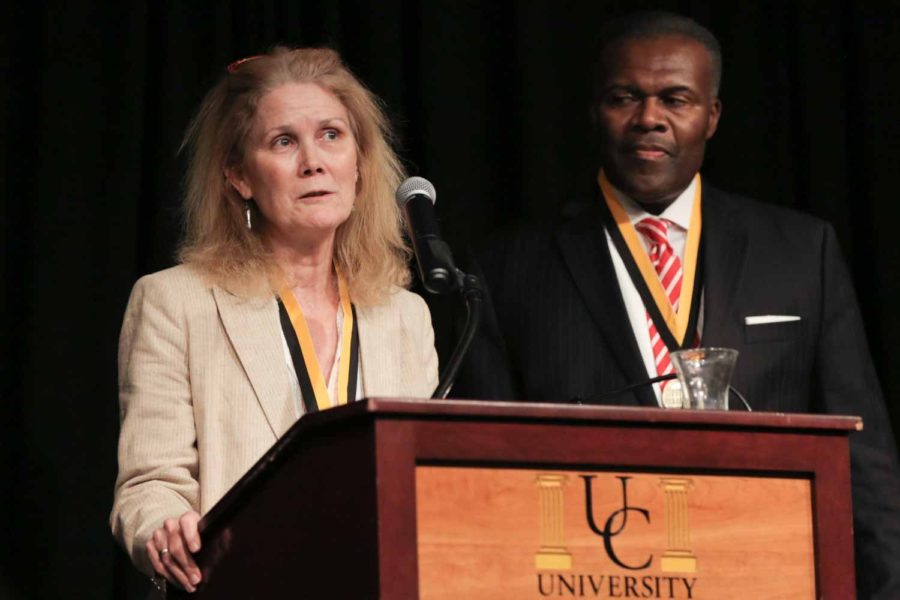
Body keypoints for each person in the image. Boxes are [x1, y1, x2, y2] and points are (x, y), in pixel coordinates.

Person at [454, 11, 900, 598]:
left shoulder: (800, 250)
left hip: (768, 572)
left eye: (676, 99)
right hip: (590, 575)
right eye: (625, 98)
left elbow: (863, 463)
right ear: (595, 109)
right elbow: (490, 475)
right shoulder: (509, 268)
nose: (649, 119)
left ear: (711, 115)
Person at [110, 47, 439, 592]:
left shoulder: (405, 316)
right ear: (239, 175)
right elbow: (149, 486)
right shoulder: (175, 304)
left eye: (332, 135)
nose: (314, 161)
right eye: (283, 142)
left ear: (359, 163)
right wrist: (163, 530)